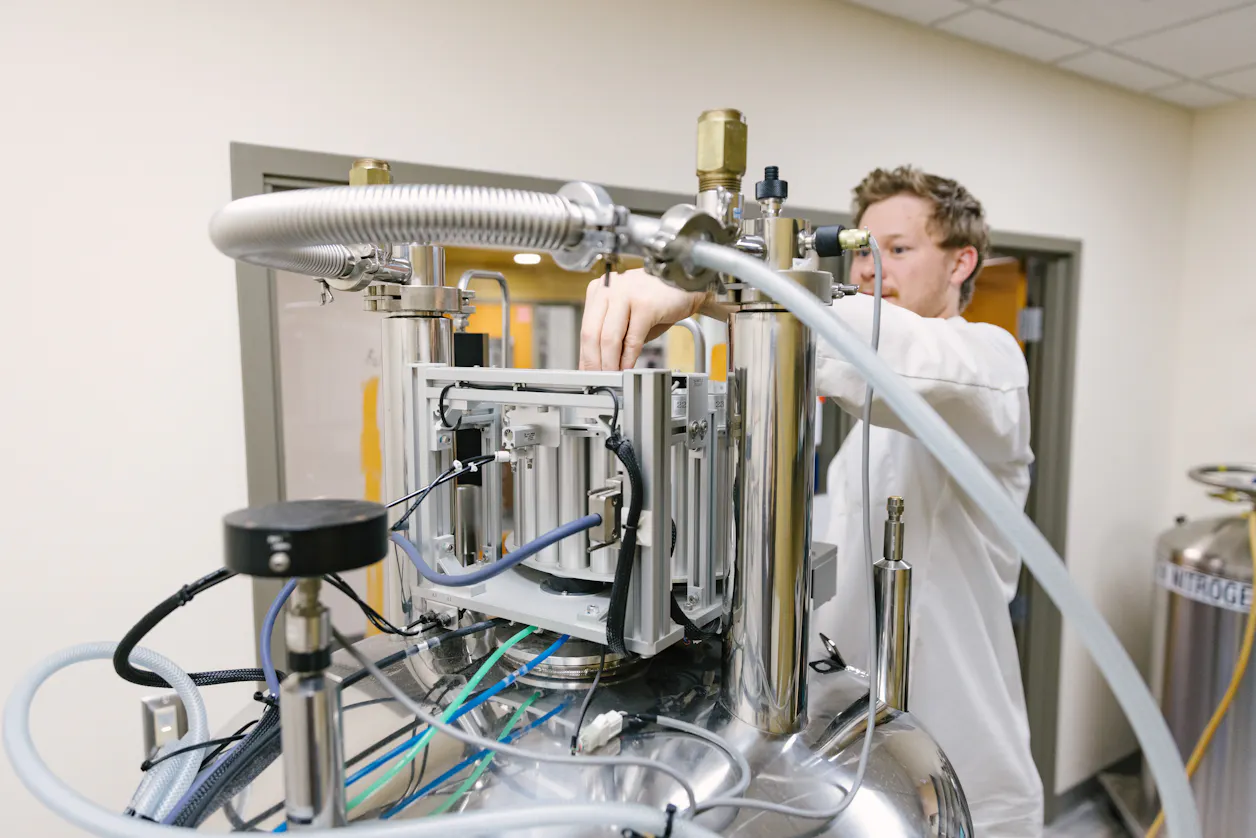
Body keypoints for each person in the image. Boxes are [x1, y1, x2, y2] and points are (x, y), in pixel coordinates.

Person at [579, 166, 1044, 837]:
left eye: (899, 249)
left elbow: (902, 358)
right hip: (861, 757)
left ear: (961, 261)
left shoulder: (989, 368)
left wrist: (708, 285)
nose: (867, 270)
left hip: (963, 768)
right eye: (862, 250)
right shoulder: (864, 431)